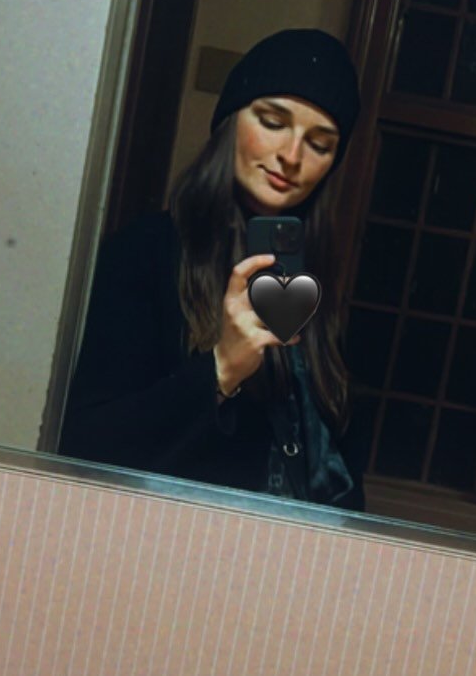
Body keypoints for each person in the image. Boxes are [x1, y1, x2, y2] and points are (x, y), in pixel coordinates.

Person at [59, 28, 365, 510]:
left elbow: (342, 471)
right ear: (230, 120)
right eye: (273, 122)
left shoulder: (317, 283)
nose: (292, 156)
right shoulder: (147, 251)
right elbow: (86, 448)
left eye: (320, 144)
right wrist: (221, 369)